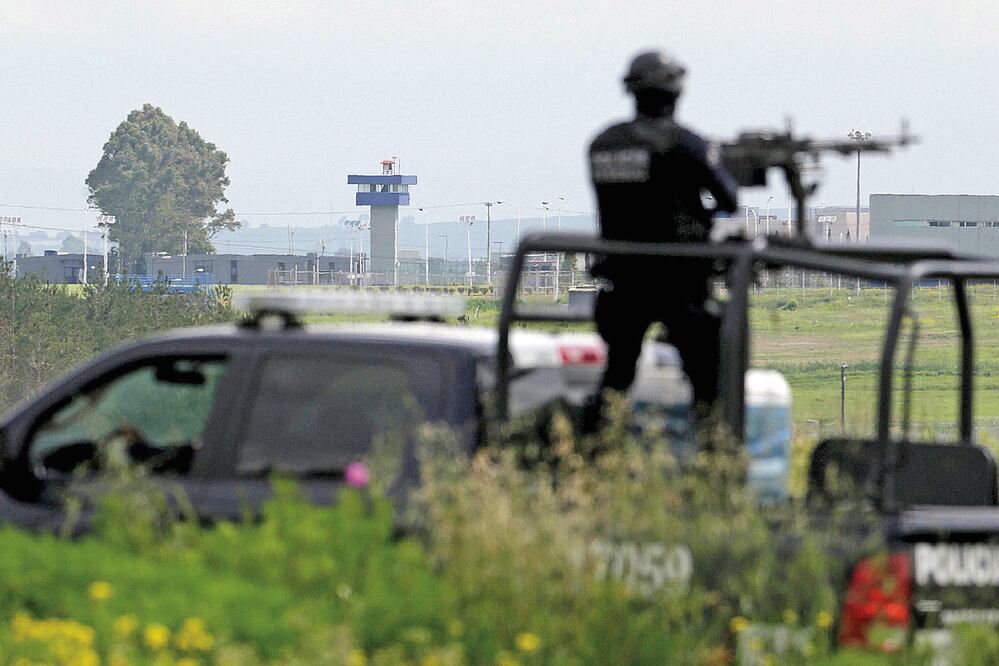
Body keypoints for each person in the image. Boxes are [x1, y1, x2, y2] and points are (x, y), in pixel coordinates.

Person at [585, 49, 738, 427]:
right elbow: (729, 200)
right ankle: (715, 460)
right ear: (676, 93)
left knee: (617, 375)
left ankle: (591, 453)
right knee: (708, 384)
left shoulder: (602, 144)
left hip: (623, 280)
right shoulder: (686, 144)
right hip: (680, 281)